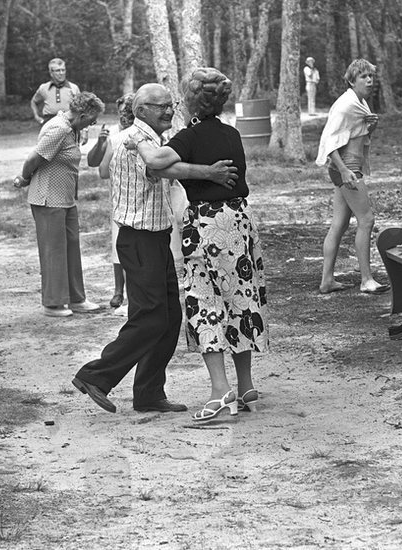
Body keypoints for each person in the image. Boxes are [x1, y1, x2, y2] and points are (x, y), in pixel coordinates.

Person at [71, 83, 238, 414]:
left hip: (155, 237)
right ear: (141, 110)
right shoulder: (137, 140)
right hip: (139, 239)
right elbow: (161, 168)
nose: (169, 110)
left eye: (171, 104)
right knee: (151, 317)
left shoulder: (151, 138)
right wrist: (209, 173)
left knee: (170, 317)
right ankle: (95, 376)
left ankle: (148, 393)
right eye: (161, 106)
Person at [127, 67, 269, 421]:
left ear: (190, 100)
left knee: (205, 303)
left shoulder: (188, 137)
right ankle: (247, 385)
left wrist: (138, 142)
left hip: (207, 225)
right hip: (240, 220)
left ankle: (221, 391)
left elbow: (156, 163)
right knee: (240, 299)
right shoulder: (232, 134)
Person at [15, 92, 104, 317]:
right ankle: (53, 303)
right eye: (91, 120)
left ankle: (76, 299)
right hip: (47, 198)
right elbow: (32, 159)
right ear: (82, 115)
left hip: (65, 198)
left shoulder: (72, 129)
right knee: (53, 251)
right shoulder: (58, 129)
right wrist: (23, 178)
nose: (92, 124)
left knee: (71, 249)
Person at [315, 59, 389, 295]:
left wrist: (372, 126)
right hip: (346, 166)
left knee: (340, 224)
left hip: (348, 165)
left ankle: (327, 281)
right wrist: (344, 170)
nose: (369, 80)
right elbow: (329, 140)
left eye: (371, 76)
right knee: (366, 220)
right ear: (351, 80)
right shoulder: (346, 105)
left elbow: (357, 134)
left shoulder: (359, 102)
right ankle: (366, 280)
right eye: (363, 77)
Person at [87, 93, 135, 312]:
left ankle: (131, 294)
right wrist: (100, 142)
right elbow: (94, 163)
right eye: (121, 112)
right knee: (117, 243)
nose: (124, 116)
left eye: (128, 112)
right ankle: (118, 290)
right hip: (117, 195)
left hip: (135, 195)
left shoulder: (140, 132)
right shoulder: (113, 132)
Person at [30, 58, 87, 145]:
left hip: (69, 123)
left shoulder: (73, 88)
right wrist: (37, 117)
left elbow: (82, 110)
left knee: (71, 151)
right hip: (49, 123)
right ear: (51, 73)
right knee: (47, 150)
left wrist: (84, 130)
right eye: (57, 71)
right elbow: (34, 101)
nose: (61, 73)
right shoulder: (43, 88)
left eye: (63, 70)